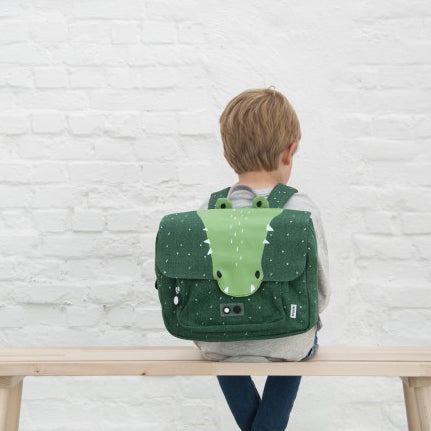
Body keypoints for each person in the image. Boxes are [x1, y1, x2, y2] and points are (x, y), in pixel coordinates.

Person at [192, 87, 331, 431]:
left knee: (219, 341)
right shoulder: (302, 208)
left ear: (227, 156)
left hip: (219, 342)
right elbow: (320, 292)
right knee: (300, 339)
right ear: (290, 151)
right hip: (289, 341)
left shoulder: (208, 209)